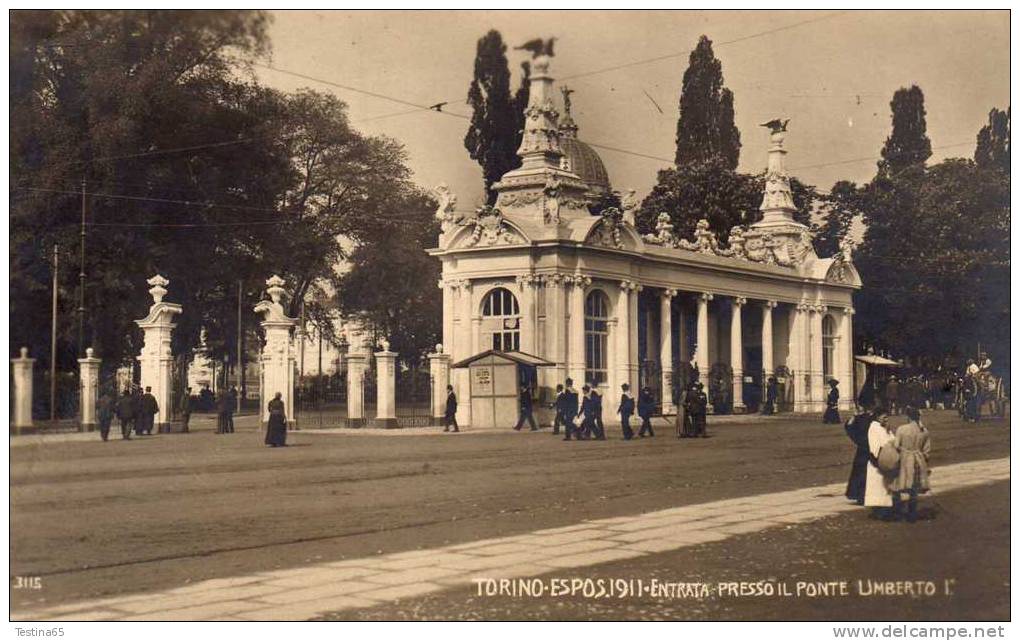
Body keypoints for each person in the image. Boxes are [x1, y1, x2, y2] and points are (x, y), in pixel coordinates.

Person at [890, 406, 931, 522]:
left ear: (908, 417)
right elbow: (927, 451)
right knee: (914, 489)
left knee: (901, 487)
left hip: (905, 460)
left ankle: (900, 513)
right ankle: (912, 513)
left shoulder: (902, 429)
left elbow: (896, 446)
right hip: (918, 460)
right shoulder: (924, 431)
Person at [865, 408, 896, 520]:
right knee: (877, 487)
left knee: (883, 488)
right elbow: (874, 447)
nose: (886, 419)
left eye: (887, 416)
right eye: (884, 417)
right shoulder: (874, 427)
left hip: (886, 460)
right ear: (877, 417)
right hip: (878, 461)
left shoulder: (885, 428)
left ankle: (884, 510)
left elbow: (894, 440)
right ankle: (878, 511)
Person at [844, 405, 874, 505]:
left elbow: (849, 428)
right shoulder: (870, 418)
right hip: (870, 448)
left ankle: (859, 495)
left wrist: (854, 416)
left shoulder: (860, 419)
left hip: (863, 449)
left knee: (860, 473)